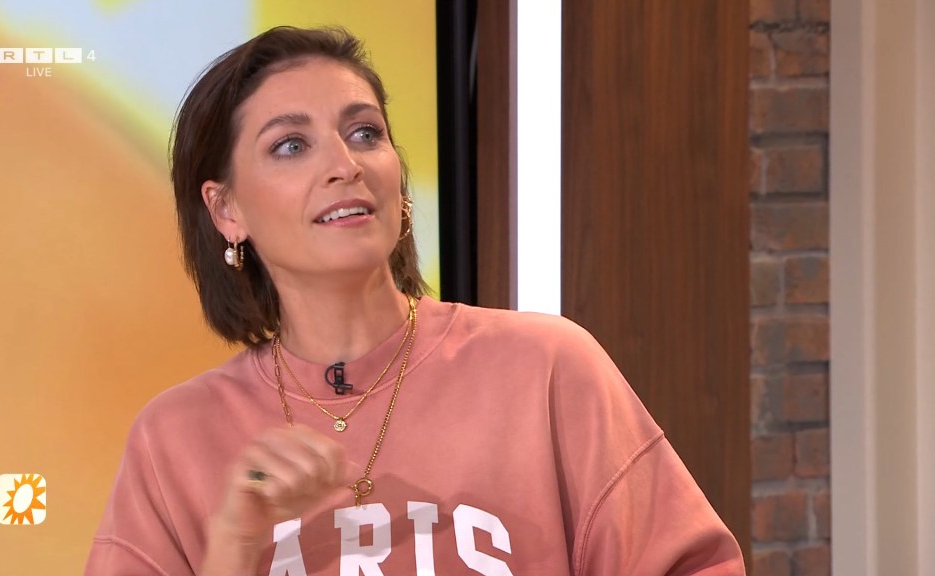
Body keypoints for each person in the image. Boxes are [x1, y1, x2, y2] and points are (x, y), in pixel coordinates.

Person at [84, 26, 745, 576]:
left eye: (364, 133)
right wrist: (232, 545)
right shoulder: (175, 439)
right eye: (290, 145)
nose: (345, 164)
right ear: (226, 209)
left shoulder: (546, 368)